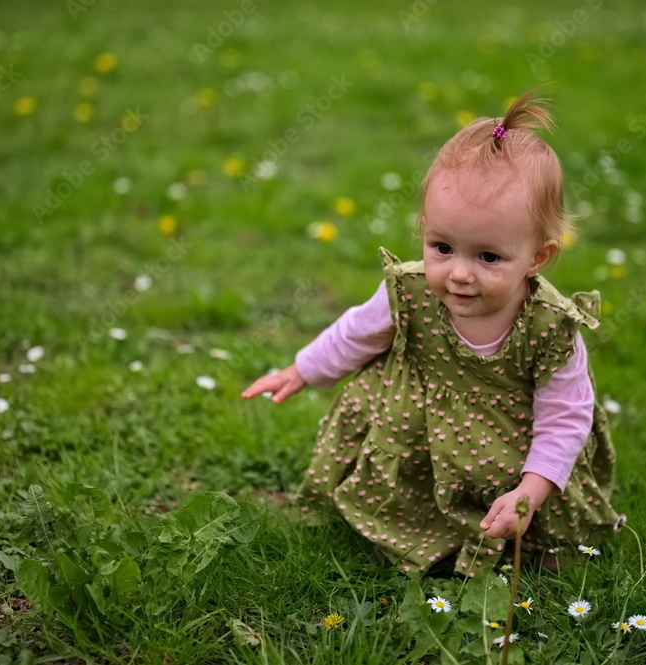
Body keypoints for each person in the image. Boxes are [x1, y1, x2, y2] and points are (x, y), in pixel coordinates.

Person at [241, 90, 620, 577]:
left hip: (507, 450)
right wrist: (302, 369)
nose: (459, 274)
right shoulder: (413, 290)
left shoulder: (550, 327)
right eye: (442, 246)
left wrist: (531, 490)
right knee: (398, 480)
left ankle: (523, 533)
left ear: (538, 257)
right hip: (415, 428)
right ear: (424, 229)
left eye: (487, 257)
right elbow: (357, 333)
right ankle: (411, 533)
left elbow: (566, 418)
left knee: (538, 521)